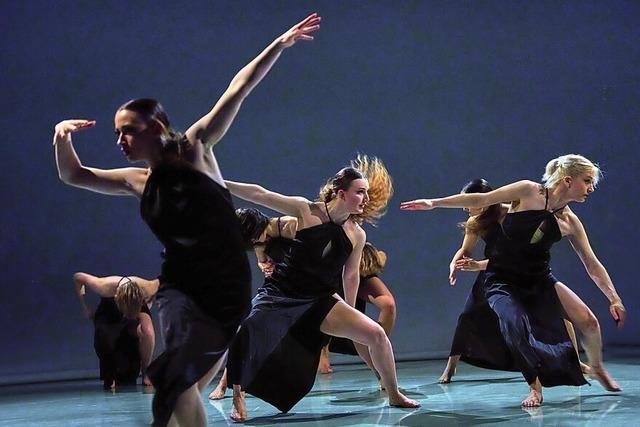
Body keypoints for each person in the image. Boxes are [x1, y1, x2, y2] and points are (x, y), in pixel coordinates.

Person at [53, 13, 321, 427]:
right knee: (175, 380)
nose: (121, 140)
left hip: (226, 284)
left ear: (157, 127)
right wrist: (61, 137)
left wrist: (279, 44)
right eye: (117, 133)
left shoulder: (196, 148)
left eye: (129, 130)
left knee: (179, 384)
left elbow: (239, 87)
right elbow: (75, 175)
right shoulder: (136, 181)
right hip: (179, 285)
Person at [401, 155, 626, 407]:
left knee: (590, 322)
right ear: (567, 180)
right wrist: (434, 203)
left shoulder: (570, 222)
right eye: (587, 181)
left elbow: (592, 264)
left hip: (539, 280)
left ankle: (597, 368)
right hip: (502, 280)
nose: (591, 188)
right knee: (514, 324)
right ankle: (535, 389)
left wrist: (614, 299)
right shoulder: (528, 191)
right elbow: (481, 200)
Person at [225, 155, 419, 421]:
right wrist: (219, 183)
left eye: (365, 193)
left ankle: (394, 394)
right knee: (247, 330)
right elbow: (260, 195)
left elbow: (351, 274)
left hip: (319, 298)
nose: (365, 198)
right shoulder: (307, 211)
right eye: (360, 192)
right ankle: (237, 396)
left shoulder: (357, 234)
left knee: (376, 334)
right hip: (281, 293)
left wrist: (350, 308)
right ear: (341, 194)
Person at [436, 179, 589, 384]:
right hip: (493, 277)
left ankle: (574, 362)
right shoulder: (475, 222)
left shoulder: (513, 214)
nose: (465, 208)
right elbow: (465, 250)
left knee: (558, 314)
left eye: (469, 202)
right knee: (467, 317)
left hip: (521, 274)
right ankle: (451, 367)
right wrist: (454, 263)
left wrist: (479, 265)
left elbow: (516, 255)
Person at [73, 272, 157, 388]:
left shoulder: (147, 287)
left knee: (148, 331)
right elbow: (78, 277)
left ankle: (146, 371)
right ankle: (109, 375)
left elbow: (162, 283)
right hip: (109, 306)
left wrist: (149, 303)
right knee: (104, 336)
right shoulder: (103, 286)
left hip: (137, 302)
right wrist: (85, 307)